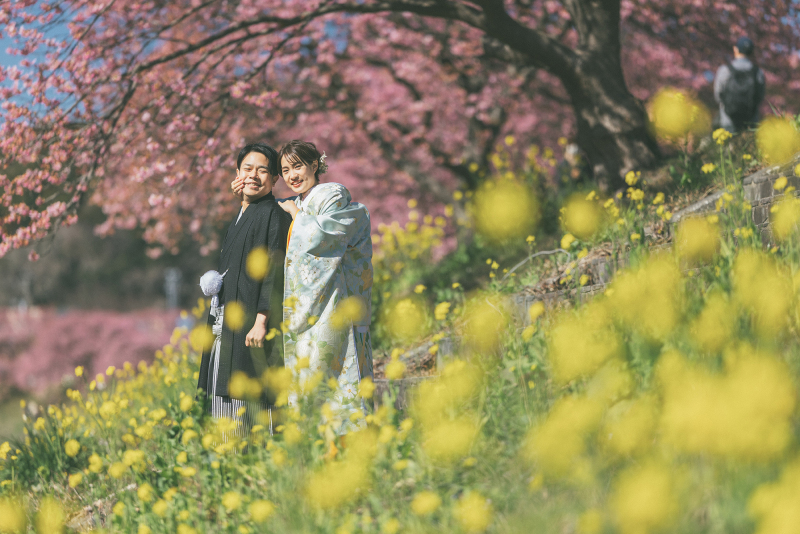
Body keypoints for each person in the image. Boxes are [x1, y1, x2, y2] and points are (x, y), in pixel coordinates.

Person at [278, 140, 374, 434]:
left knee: (337, 371)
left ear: (314, 165)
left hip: (333, 298)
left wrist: (297, 218)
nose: (292, 176)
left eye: (297, 166)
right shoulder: (300, 202)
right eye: (285, 171)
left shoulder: (331, 194)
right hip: (311, 302)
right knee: (310, 374)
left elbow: (328, 238)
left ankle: (349, 441)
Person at [197, 143, 292, 439]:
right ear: (237, 174)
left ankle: (245, 452)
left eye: (262, 171)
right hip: (225, 323)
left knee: (246, 393)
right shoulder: (243, 213)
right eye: (247, 169)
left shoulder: (274, 213)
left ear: (274, 178)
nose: (253, 176)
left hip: (252, 322)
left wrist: (262, 320)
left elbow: (274, 271)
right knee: (221, 390)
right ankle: (229, 452)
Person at [713, 36, 766, 133]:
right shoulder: (758, 72)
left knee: (728, 142)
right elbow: (760, 96)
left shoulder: (725, 70)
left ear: (735, 49)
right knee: (748, 142)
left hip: (728, 119)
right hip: (750, 120)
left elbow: (718, 95)